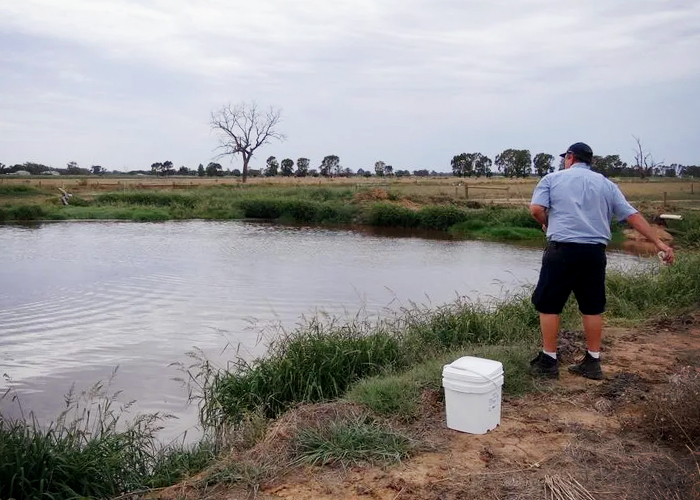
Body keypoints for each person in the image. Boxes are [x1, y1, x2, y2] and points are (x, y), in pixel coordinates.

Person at [528, 142, 674, 380]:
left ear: (571, 157)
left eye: (566, 157)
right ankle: (593, 361)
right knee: (592, 306)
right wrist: (659, 243)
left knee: (549, 305)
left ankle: (549, 360)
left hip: (562, 250)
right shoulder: (607, 185)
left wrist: (547, 223)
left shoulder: (552, 179)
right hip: (594, 253)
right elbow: (632, 215)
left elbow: (535, 209)